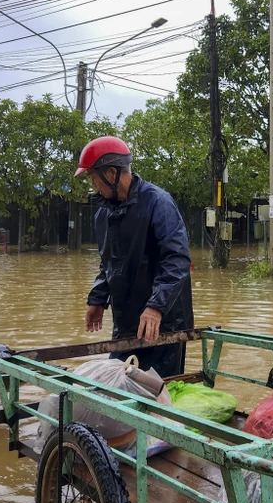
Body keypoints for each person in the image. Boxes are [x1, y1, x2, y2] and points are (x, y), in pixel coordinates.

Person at [77, 136, 194, 379]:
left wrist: (156, 307)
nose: (93, 184)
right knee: (117, 385)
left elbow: (177, 259)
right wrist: (98, 299)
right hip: (127, 321)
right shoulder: (103, 214)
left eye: (93, 176)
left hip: (164, 322)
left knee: (158, 393)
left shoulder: (158, 202)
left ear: (111, 173)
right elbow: (107, 262)